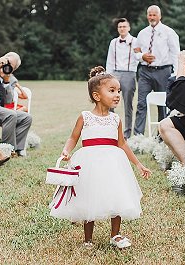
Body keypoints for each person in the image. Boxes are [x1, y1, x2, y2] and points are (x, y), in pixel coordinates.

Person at [51, 66, 152, 249]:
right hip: (89, 163)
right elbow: (73, 137)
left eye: (119, 91)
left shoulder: (116, 120)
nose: (117, 95)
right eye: (112, 90)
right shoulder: (85, 117)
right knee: (89, 196)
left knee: (117, 194)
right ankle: (88, 239)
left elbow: (122, 143)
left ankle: (116, 235)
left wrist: (138, 164)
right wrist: (66, 151)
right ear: (97, 96)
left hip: (113, 163)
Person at [132, 5, 180, 134]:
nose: (152, 17)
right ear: (147, 16)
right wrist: (142, 56)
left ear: (160, 16)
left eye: (154, 15)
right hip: (145, 72)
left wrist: (176, 74)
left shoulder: (169, 32)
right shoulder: (142, 33)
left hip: (163, 71)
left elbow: (176, 54)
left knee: (163, 105)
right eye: (150, 14)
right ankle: (138, 137)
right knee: (141, 103)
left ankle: (162, 136)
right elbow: (135, 52)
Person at [0, 52, 33, 156]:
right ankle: (6, 150)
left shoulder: (11, 77)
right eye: (7, 60)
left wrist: (6, 81)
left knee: (26, 117)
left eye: (10, 65)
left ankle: (18, 148)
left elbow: (9, 101)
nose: (6, 65)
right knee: (11, 115)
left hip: (0, 110)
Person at [105, 18, 138, 138]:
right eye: (120, 27)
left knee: (127, 104)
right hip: (115, 74)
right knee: (110, 102)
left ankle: (127, 134)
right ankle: (112, 131)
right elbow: (110, 60)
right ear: (117, 29)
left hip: (129, 74)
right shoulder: (113, 42)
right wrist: (108, 76)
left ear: (129, 28)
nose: (122, 29)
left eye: (124, 26)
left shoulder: (135, 41)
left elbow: (139, 57)